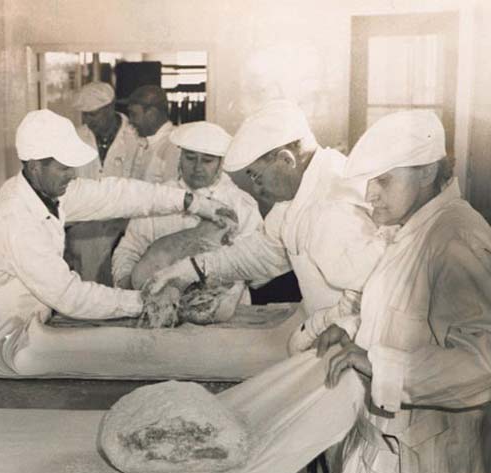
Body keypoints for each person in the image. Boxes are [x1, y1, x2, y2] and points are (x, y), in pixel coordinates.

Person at [320, 110, 491, 473]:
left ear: (428, 172)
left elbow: (488, 364)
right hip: (390, 463)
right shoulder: (417, 232)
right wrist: (353, 333)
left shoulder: (456, 238)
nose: (371, 197)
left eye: (384, 181)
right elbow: (406, 323)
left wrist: (377, 363)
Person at [0, 109, 235, 380]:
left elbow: (118, 194)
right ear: (35, 166)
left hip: (25, 331)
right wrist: (146, 300)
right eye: (64, 168)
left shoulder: (50, 192)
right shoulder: (15, 220)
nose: (71, 175)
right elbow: (70, 296)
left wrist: (191, 202)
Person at [144, 100, 384, 353]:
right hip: (324, 334)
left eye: (256, 176)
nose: (257, 189)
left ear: (286, 159)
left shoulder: (332, 207)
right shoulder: (302, 192)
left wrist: (314, 328)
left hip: (348, 346)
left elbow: (367, 293)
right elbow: (262, 253)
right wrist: (191, 269)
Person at [111, 121, 263, 294]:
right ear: (180, 158)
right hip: (159, 300)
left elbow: (259, 268)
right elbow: (129, 249)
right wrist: (126, 283)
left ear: (220, 163)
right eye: (190, 158)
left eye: (207, 160)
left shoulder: (241, 204)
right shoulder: (159, 198)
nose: (197, 167)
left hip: (222, 304)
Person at [67, 81, 143, 284]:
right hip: (86, 227)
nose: (87, 120)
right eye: (84, 114)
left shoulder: (136, 137)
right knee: (87, 286)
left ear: (109, 108)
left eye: (93, 114)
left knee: (123, 280)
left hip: (125, 224)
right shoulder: (75, 137)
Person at [125, 85, 180, 184]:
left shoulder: (174, 145)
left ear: (152, 114)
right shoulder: (141, 141)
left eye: (134, 114)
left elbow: (172, 195)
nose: (130, 121)